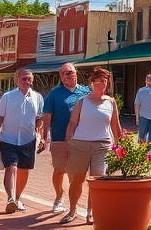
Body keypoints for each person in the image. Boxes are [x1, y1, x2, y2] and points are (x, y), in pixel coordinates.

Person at [62, 67, 123, 225]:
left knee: (96, 181)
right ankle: (72, 210)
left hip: (102, 146)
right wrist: (67, 144)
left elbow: (116, 127)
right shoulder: (82, 102)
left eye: (104, 81)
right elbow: (72, 124)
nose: (101, 84)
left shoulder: (111, 103)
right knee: (77, 180)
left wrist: (121, 146)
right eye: (98, 81)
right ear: (92, 83)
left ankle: (90, 213)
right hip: (80, 145)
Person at [0, 68, 44, 214]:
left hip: (28, 140)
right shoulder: (8, 97)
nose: (27, 82)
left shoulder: (37, 97)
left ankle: (18, 197)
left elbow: (38, 119)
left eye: (29, 79)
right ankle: (10, 199)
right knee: (11, 168)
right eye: (24, 79)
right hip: (8, 139)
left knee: (24, 170)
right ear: (17, 80)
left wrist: (40, 135)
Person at [42, 62, 91, 214]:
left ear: (76, 73)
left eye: (70, 72)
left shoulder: (86, 92)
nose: (67, 75)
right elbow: (47, 115)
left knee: (76, 174)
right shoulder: (55, 93)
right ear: (61, 77)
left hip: (81, 139)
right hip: (60, 138)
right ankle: (59, 197)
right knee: (59, 171)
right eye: (64, 73)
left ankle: (73, 204)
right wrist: (45, 137)